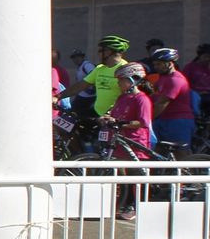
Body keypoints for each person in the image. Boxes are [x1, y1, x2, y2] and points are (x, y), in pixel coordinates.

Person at [106, 63, 153, 222]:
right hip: (120, 141)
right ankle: (122, 203)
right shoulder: (122, 97)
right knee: (122, 175)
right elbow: (114, 114)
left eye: (121, 80)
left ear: (133, 80)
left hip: (135, 142)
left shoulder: (142, 99)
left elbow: (142, 122)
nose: (118, 83)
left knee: (134, 176)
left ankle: (134, 205)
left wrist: (120, 123)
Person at [149, 48, 195, 147]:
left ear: (170, 63)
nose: (156, 67)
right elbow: (153, 96)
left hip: (178, 121)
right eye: (155, 64)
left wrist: (146, 120)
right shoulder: (163, 78)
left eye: (159, 64)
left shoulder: (175, 80)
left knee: (180, 153)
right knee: (157, 153)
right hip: (163, 119)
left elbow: (161, 104)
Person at [83, 36, 129, 117]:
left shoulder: (125, 69)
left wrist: (109, 113)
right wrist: (58, 96)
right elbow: (81, 85)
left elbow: (128, 97)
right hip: (97, 113)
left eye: (100, 51)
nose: (98, 54)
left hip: (115, 117)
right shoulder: (100, 68)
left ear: (108, 52)